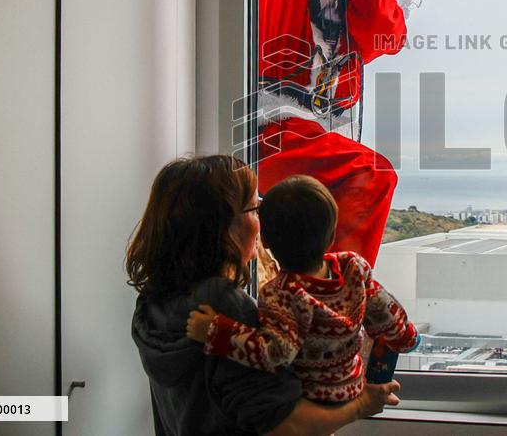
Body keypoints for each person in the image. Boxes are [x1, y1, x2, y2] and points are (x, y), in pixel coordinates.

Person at [257, 0, 463, 267]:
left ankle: (309, 290)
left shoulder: (372, 25)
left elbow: (383, 23)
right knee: (372, 177)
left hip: (304, 150)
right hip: (267, 130)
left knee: (337, 207)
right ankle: (337, 290)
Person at [127, 155, 400, 436]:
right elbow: (285, 425)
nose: (262, 224)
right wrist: (362, 404)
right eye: (256, 209)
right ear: (224, 228)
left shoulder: (153, 301)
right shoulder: (225, 308)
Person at [185, 175, 418, 404]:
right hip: (351, 385)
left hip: (310, 397)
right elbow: (385, 313)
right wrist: (408, 338)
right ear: (330, 237)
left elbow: (276, 354)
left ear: (263, 240)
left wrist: (216, 331)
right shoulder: (353, 268)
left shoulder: (282, 293)